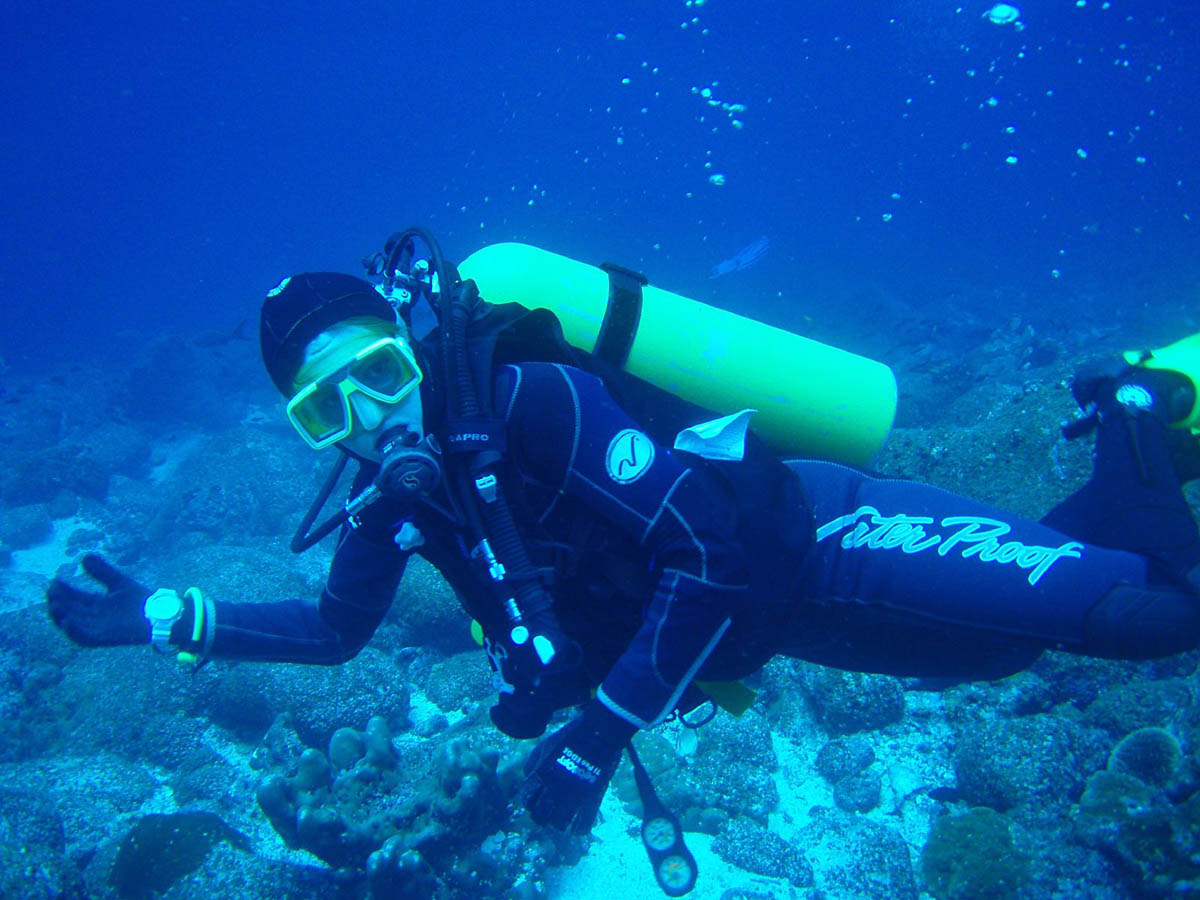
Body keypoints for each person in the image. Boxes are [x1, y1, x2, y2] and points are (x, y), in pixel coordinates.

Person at [47, 230, 1200, 847]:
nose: (374, 421)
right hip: (782, 626)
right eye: (326, 411)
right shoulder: (398, 494)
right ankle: (1124, 453)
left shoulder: (529, 402)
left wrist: (599, 736)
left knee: (1151, 614)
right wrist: (162, 616)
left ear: (413, 345)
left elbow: (704, 553)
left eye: (380, 375)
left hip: (826, 533)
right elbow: (336, 629)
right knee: (1006, 647)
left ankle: (1145, 404)